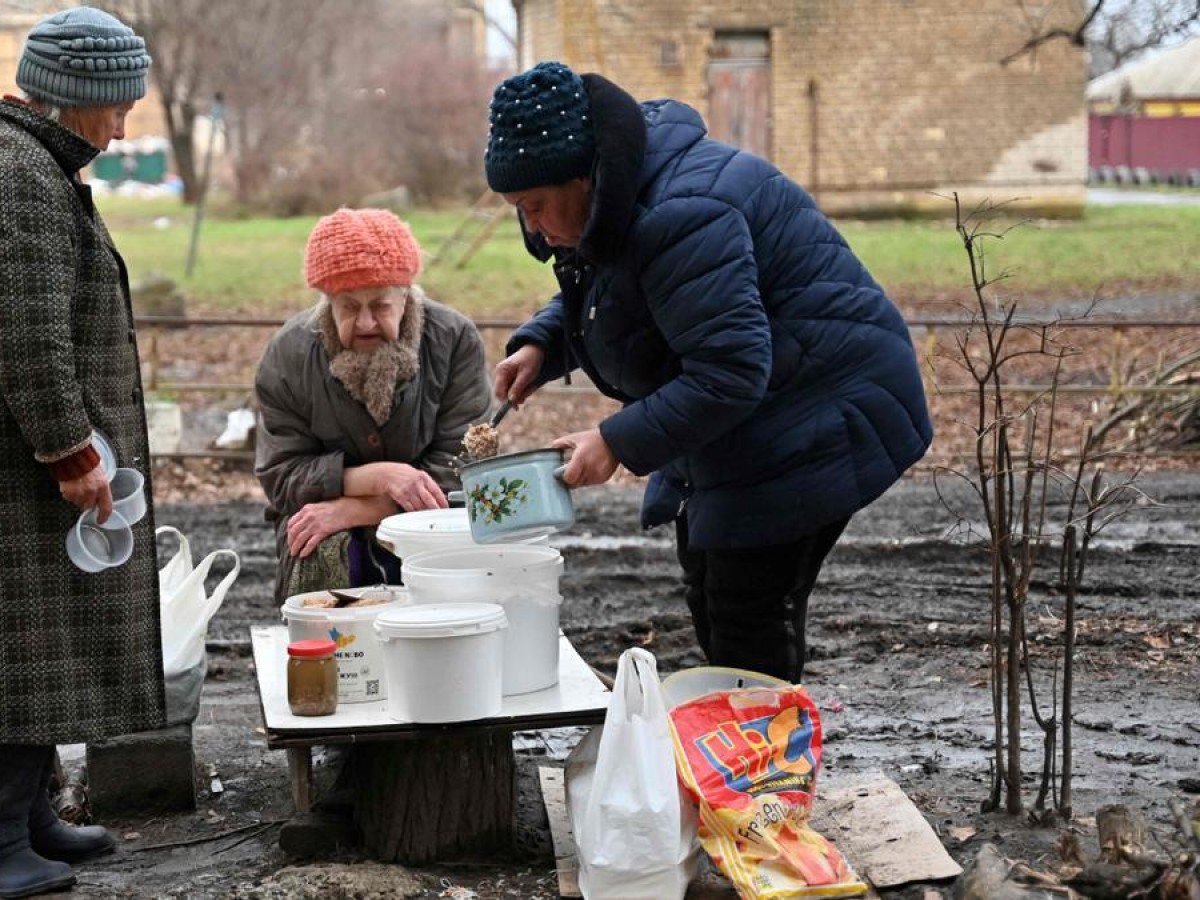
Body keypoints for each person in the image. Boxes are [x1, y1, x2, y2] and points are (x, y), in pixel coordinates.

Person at [484, 62, 933, 684]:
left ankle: (763, 775)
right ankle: (744, 757)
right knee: (710, 590)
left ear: (584, 174)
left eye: (534, 205)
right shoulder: (617, 201)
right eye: (517, 209)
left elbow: (729, 371)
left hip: (818, 409)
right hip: (753, 411)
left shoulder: (682, 213)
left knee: (747, 614)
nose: (529, 225)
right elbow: (619, 291)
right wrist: (543, 343)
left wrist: (615, 441)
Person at [0, 7, 159, 897]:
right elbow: (32, 341)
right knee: (20, 641)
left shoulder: (17, 158)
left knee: (32, 642)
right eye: (117, 109)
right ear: (74, 97)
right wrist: (72, 453)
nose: (122, 129)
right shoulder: (19, 176)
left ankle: (28, 817)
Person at [254, 208, 492, 601]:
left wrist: (359, 509)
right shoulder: (289, 355)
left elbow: (467, 463)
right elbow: (281, 473)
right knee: (318, 548)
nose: (365, 322)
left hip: (433, 519)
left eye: (380, 305)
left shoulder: (454, 340)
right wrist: (377, 476)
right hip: (322, 519)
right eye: (348, 306)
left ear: (406, 298)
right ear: (327, 304)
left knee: (444, 566)